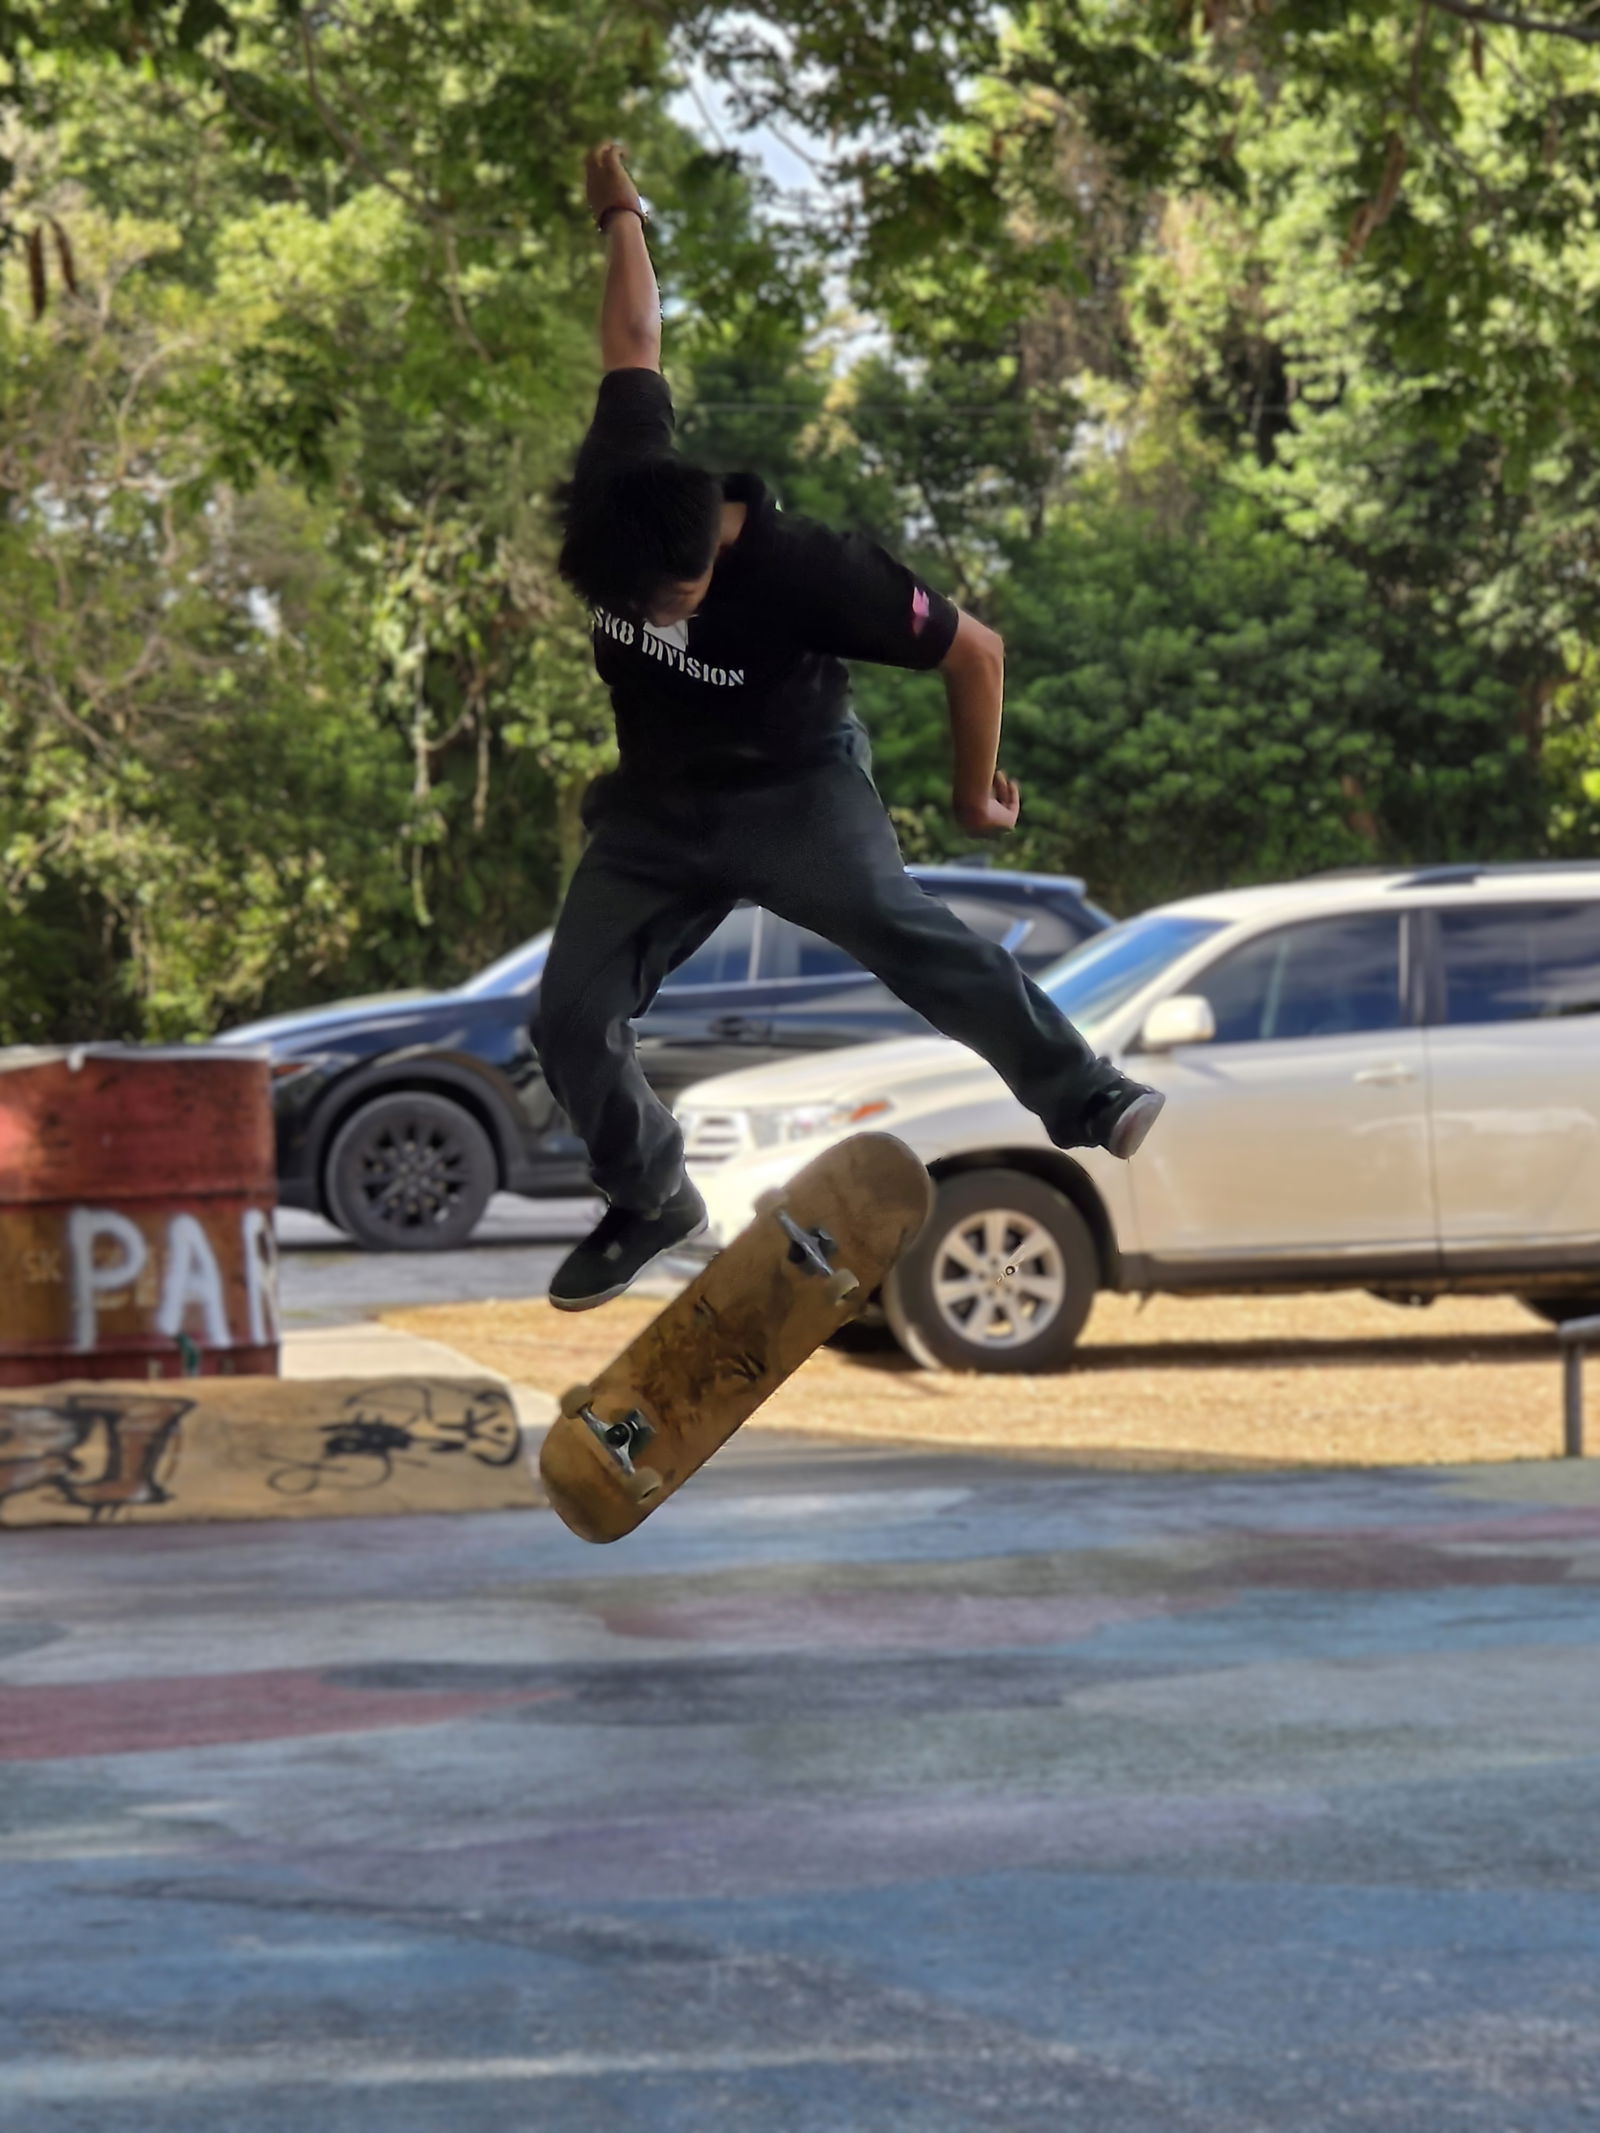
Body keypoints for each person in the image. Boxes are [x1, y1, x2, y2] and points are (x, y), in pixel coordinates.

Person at [537, 141, 1164, 1311]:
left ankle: (1083, 1093)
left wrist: (978, 793)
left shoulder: (812, 569)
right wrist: (618, 209)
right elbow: (632, 340)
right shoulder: (630, 481)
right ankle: (651, 1197)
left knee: (896, 922)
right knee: (564, 1015)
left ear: (712, 554)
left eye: (666, 604)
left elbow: (975, 651)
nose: (648, 619)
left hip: (795, 791)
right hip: (657, 810)